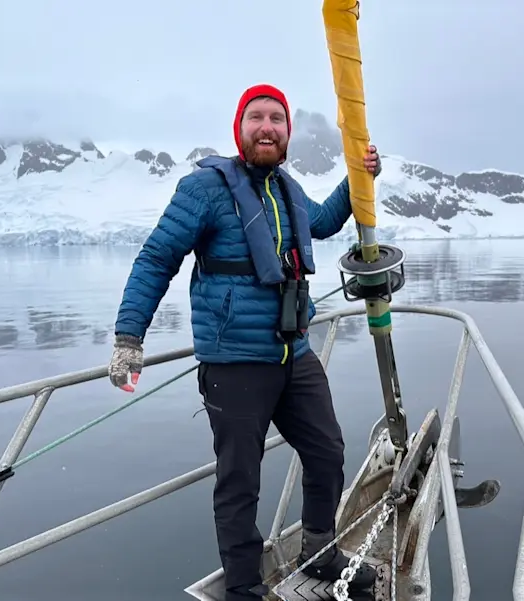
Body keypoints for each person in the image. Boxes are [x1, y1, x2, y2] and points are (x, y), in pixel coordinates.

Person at [108, 84, 382, 600]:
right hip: (234, 361)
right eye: (256, 117)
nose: (267, 127)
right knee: (240, 481)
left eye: (276, 119)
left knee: (327, 451)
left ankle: (320, 552)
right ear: (240, 129)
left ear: (286, 133)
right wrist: (129, 338)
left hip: (292, 353)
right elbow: (156, 259)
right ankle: (243, 589)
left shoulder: (287, 188)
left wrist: (357, 176)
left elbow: (321, 222)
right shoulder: (205, 189)